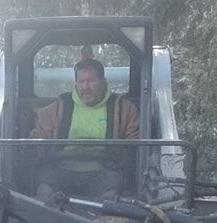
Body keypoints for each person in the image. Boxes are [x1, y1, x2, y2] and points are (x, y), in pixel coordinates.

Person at [30, 57, 139, 202]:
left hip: (104, 172)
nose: (85, 87)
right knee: (44, 190)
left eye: (91, 81)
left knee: (111, 196)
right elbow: (38, 137)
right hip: (62, 169)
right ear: (75, 83)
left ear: (103, 82)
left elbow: (135, 142)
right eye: (81, 82)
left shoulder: (124, 109)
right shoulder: (56, 109)